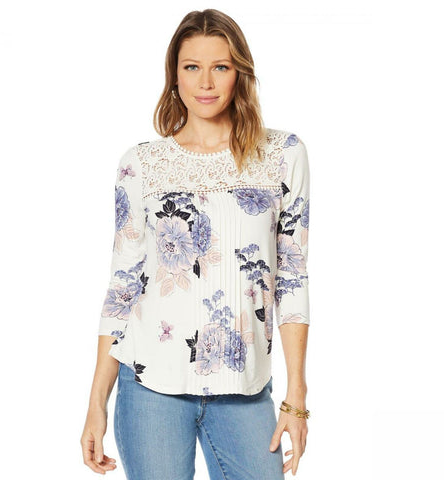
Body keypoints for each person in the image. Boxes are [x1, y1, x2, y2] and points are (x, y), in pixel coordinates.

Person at [81, 8, 311, 480]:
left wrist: (297, 397)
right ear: (174, 75)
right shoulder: (141, 164)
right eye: (192, 67)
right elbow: (123, 287)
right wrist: (96, 404)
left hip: (245, 390)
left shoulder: (283, 155)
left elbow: (292, 277)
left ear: (239, 73)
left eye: (220, 67)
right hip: (150, 387)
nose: (206, 82)